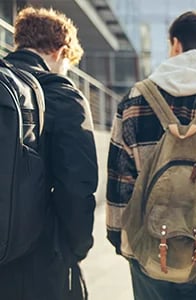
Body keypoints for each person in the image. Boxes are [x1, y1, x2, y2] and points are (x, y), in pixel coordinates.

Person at [106, 11, 196, 300]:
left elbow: (119, 179)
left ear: (175, 45)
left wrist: (119, 237)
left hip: (148, 250)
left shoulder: (134, 100)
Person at [0, 6, 98, 300]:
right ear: (61, 51)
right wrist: (76, 249)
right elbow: (77, 186)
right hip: (42, 263)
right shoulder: (62, 93)